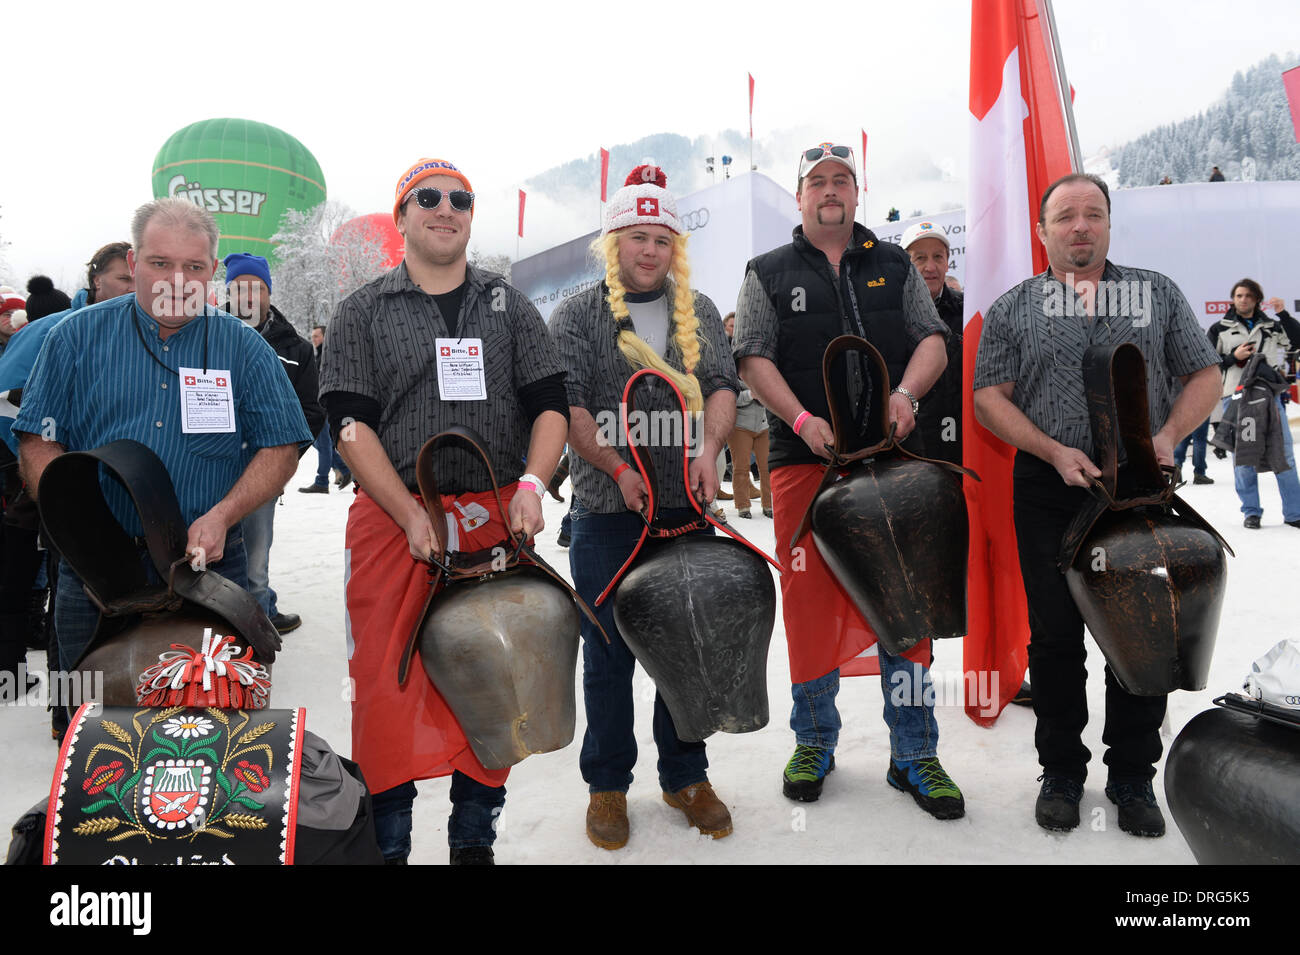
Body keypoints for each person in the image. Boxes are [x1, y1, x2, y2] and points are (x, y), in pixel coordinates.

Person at [319, 158, 567, 865]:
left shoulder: (507, 304)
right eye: (426, 198)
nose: (445, 208)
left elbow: (550, 403)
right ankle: (390, 844)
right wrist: (405, 511)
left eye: (460, 198)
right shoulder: (363, 309)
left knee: (495, 673)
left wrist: (531, 485)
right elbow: (349, 425)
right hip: (395, 519)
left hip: (494, 515)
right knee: (386, 687)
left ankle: (472, 840)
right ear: (401, 216)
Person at [973, 173, 1221, 837]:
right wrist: (1052, 449)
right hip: (1051, 489)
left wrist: (1168, 437)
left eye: (1092, 214)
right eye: (1065, 217)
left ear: (1109, 223)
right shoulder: (1013, 306)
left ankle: (1134, 775)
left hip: (1141, 488)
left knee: (1142, 631)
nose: (1079, 227)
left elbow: (1205, 372)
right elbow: (988, 396)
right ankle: (1061, 770)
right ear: (1042, 230)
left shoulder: (1157, 293)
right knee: (1055, 637)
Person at [733, 142, 963, 819]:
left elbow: (932, 340)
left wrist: (909, 395)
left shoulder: (894, 263)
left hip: (896, 458)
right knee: (808, 606)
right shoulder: (766, 271)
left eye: (842, 180)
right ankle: (813, 740)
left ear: (857, 195)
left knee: (909, 604)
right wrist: (801, 419)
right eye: (817, 182)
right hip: (804, 462)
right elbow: (751, 356)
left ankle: (916, 751)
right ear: (799, 198)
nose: (830, 190)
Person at [13, 198, 311, 673]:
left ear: (213, 269)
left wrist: (223, 515)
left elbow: (282, 447)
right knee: (93, 727)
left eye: (193, 266)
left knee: (212, 728)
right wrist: (74, 518)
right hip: (93, 572)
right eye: (159, 263)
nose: (177, 280)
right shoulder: (74, 338)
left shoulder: (245, 347)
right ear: (134, 263)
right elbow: (37, 439)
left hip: (209, 568)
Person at [550, 164, 739, 850]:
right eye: (637, 237)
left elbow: (721, 384)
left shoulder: (702, 309)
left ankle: (685, 774)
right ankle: (606, 784)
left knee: (684, 645)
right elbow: (567, 406)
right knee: (607, 654)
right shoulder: (577, 314)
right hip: (607, 509)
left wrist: (709, 448)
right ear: (613, 243)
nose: (650, 250)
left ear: (674, 247)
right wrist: (615, 465)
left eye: (661, 238)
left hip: (685, 507)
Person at [224, 252, 324, 633]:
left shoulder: (295, 347)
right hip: (204, 468)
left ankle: (256, 630)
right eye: (240, 287)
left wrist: (282, 460)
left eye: (257, 287)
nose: (249, 295)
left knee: (255, 559)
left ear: (268, 292)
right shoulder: (201, 333)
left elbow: (311, 412)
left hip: (261, 473)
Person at [1207, 278, 1300, 528]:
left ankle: (1294, 513)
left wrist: (1283, 314)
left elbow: (1297, 341)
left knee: (1284, 452)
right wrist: (1232, 357)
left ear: (1257, 299)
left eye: (1248, 295)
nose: (1243, 300)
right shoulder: (1220, 328)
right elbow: (1207, 363)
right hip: (1236, 399)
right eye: (1239, 295)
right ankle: (1251, 512)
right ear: (1233, 299)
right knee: (1243, 455)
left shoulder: (1272, 326)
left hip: (1270, 398)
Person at [901, 220, 964, 465]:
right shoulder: (891, 316)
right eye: (920, 258)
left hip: (966, 449)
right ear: (905, 264)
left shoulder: (970, 312)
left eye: (938, 257)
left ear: (948, 262)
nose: (930, 267)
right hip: (913, 449)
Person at [722, 311, 772, 519]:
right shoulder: (725, 358)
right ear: (725, 328)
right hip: (740, 423)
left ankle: (769, 506)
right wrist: (751, 393)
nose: (735, 329)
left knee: (768, 467)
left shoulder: (752, 353)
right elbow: (728, 394)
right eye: (731, 326)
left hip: (762, 422)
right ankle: (743, 506)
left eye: (737, 325)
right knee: (741, 468)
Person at [300, 325, 352, 494]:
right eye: (312, 336)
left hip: (322, 406)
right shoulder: (320, 355)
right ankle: (345, 470)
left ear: (324, 336)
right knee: (321, 443)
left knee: (321, 444)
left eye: (316, 336)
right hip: (320, 405)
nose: (313, 339)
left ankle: (322, 481)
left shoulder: (327, 356)